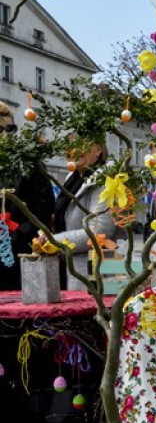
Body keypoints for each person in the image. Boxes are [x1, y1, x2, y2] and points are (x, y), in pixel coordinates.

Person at [53, 135, 122, 291]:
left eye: (80, 142)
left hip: (96, 274)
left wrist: (54, 242)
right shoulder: (74, 177)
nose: (74, 149)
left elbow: (100, 231)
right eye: (69, 144)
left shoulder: (106, 179)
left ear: (98, 150)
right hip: (73, 270)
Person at [0, 102, 55, 291]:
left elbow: (44, 209)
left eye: (9, 129)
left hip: (21, 254)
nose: (5, 135)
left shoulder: (29, 164)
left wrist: (17, 234)